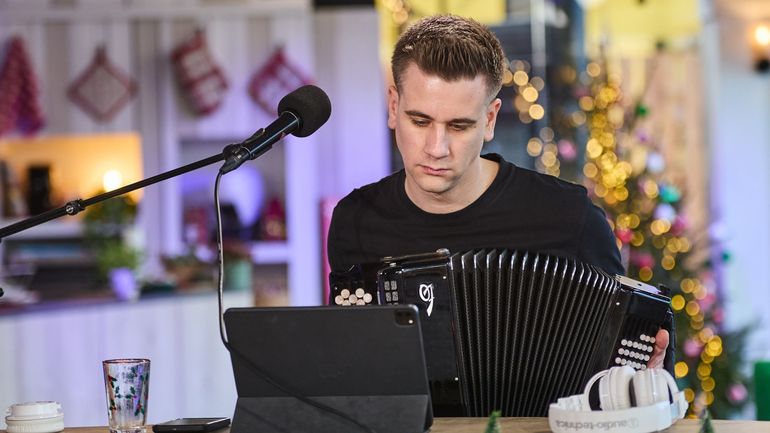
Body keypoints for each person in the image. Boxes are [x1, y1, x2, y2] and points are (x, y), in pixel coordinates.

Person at [327, 14, 671, 372]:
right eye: (420, 121)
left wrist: (648, 373)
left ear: (490, 120)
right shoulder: (356, 219)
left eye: (459, 126)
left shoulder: (570, 218)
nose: (436, 147)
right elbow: (352, 370)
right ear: (394, 107)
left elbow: (626, 360)